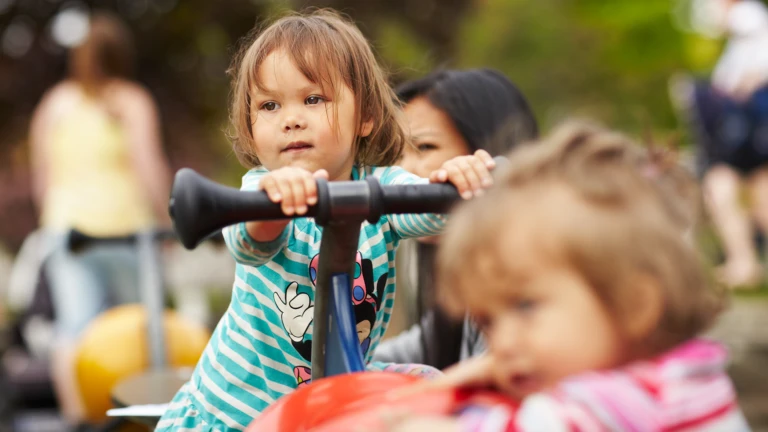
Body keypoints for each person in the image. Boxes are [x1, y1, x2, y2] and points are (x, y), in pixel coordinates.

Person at [156, 10, 495, 431]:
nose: (290, 118)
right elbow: (247, 240)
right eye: (269, 105)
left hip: (327, 399)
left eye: (313, 99)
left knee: (430, 387)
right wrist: (276, 205)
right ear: (249, 124)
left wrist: (457, 184)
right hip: (236, 413)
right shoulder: (261, 189)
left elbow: (432, 216)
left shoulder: (381, 188)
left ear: (366, 116)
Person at [386, 122, 749, 431]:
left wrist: (417, 412)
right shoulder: (688, 376)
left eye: (526, 306)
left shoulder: (615, 405)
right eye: (490, 322)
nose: (503, 344)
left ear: (634, 303)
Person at [27, 11, 171, 425]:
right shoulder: (131, 99)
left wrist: (50, 223)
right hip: (127, 230)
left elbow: (42, 177)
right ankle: (144, 414)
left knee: (74, 330)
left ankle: (78, 419)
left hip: (68, 228)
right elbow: (148, 167)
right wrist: (167, 221)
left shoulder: (55, 104)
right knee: (145, 324)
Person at [374, 69, 538, 370]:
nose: (403, 171)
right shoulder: (452, 305)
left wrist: (487, 176)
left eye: (424, 147)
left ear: (483, 151)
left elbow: (518, 173)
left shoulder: (536, 277)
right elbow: (370, 363)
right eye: (397, 155)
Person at [673, 0, 768, 288]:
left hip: (744, 125)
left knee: (722, 187)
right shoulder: (744, 36)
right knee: (760, 191)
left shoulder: (748, 15)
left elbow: (744, 29)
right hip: (751, 125)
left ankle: (744, 263)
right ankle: (744, 263)